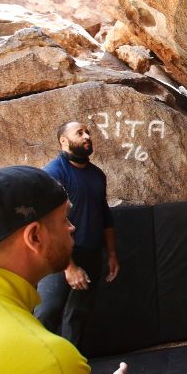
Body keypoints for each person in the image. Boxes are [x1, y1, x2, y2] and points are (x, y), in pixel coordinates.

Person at [0, 165, 155, 374]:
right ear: (35, 236)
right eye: (64, 219)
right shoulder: (47, 360)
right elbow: (40, 373)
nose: (72, 227)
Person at [35, 121, 120, 347]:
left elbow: (105, 216)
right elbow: (47, 224)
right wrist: (69, 267)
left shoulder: (97, 175)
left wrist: (111, 254)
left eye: (88, 132)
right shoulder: (53, 174)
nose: (87, 136)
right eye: (79, 133)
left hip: (91, 253)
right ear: (64, 141)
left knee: (78, 316)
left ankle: (73, 368)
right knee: (47, 313)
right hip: (59, 257)